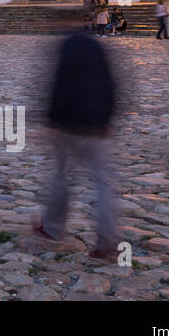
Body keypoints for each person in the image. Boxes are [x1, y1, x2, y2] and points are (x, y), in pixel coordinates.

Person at [32, 14, 120, 261]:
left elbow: (59, 85)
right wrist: (108, 118)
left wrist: (52, 121)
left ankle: (52, 228)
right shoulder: (96, 46)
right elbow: (112, 83)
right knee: (103, 183)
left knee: (61, 178)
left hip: (69, 125)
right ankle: (108, 241)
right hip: (96, 124)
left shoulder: (65, 47)